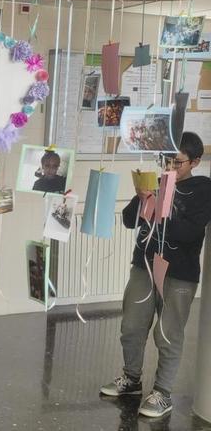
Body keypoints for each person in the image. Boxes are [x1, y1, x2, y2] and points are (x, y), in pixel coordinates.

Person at [100, 132, 211, 418]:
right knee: (132, 326)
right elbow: (127, 221)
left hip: (179, 273)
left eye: (179, 163)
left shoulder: (203, 189)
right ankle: (131, 378)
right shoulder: (159, 181)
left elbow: (191, 233)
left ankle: (162, 392)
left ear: (195, 162)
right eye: (168, 161)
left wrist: (160, 212)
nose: (172, 167)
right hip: (144, 265)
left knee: (169, 333)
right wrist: (143, 199)